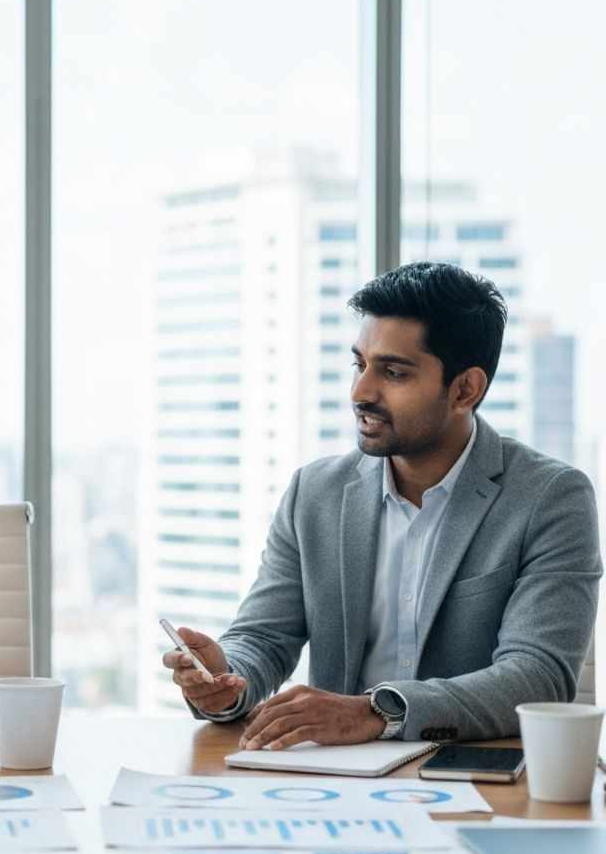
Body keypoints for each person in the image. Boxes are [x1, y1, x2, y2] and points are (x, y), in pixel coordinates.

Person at [164, 262, 602, 748]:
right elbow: (263, 639)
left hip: (473, 779)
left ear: (465, 390)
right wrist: (226, 679)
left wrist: (375, 712)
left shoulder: (551, 498)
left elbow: (537, 678)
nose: (361, 392)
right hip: (338, 782)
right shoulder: (315, 492)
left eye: (393, 372)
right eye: (360, 364)